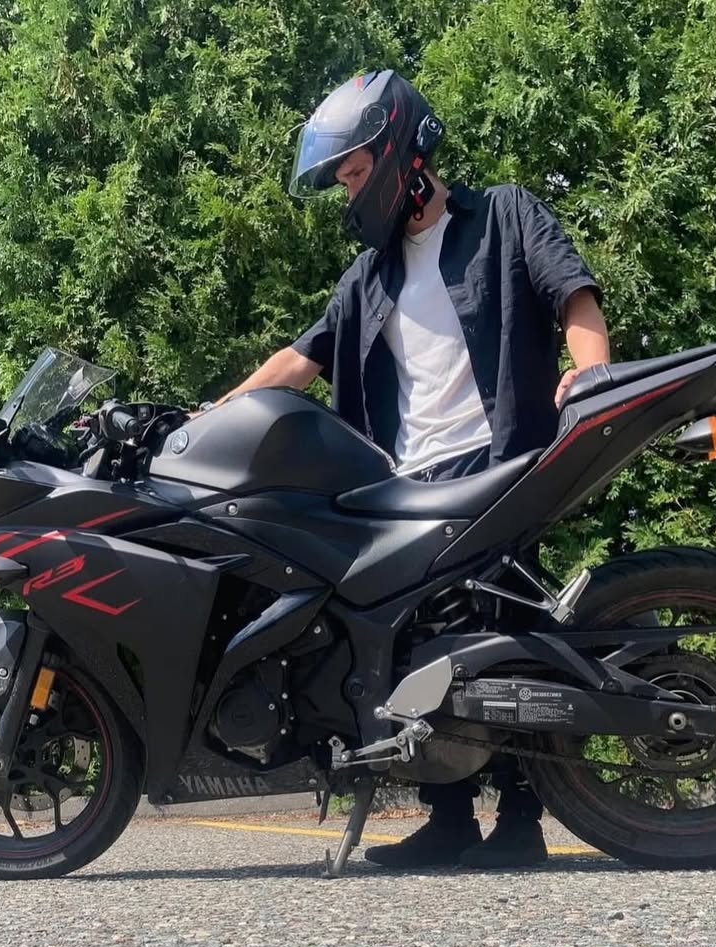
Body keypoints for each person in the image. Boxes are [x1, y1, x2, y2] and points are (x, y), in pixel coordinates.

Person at [205, 69, 611, 870]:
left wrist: (592, 373)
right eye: (343, 180)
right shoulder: (370, 276)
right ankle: (450, 816)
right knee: (413, 650)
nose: (350, 191)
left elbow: (574, 296)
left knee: (508, 637)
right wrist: (206, 418)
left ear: (398, 152)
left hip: (500, 468)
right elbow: (298, 360)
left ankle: (522, 820)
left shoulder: (504, 216)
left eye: (355, 172)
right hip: (409, 488)